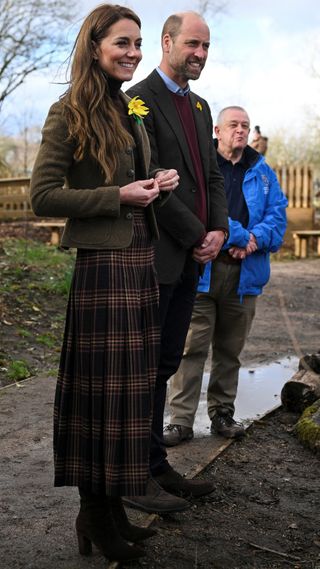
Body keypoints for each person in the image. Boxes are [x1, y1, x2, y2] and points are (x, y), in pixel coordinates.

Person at [30, 4, 179, 563]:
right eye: (123, 43)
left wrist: (156, 185)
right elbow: (45, 196)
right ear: (95, 46)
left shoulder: (128, 110)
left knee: (129, 392)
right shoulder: (67, 112)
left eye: (138, 43)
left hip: (140, 259)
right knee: (101, 393)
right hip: (102, 268)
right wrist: (116, 196)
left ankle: (110, 505)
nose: (134, 52)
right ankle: (93, 512)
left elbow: (130, 183)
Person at [124, 12, 229, 513]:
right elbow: (147, 179)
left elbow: (212, 175)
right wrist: (196, 235)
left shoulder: (203, 106)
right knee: (143, 367)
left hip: (193, 260)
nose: (201, 54)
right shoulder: (136, 100)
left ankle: (155, 464)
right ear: (167, 42)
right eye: (193, 44)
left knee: (167, 361)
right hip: (157, 255)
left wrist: (220, 230)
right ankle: (134, 472)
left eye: (206, 46)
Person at [164, 105, 288, 446]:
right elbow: (198, 213)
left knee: (230, 351)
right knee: (191, 349)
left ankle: (222, 413)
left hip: (244, 277)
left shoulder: (263, 172)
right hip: (202, 273)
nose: (241, 131)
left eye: (245, 125)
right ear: (216, 131)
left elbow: (278, 220)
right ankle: (181, 421)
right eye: (233, 124)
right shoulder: (202, 168)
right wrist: (239, 236)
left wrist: (254, 240)